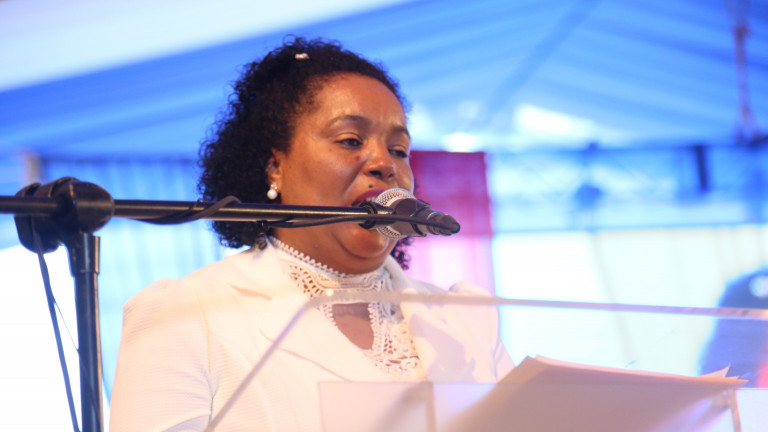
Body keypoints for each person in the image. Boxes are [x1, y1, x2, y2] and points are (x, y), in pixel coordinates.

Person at [109, 37, 514, 431]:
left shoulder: (465, 317)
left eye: (398, 150)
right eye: (350, 141)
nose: (384, 164)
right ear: (275, 167)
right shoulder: (185, 313)